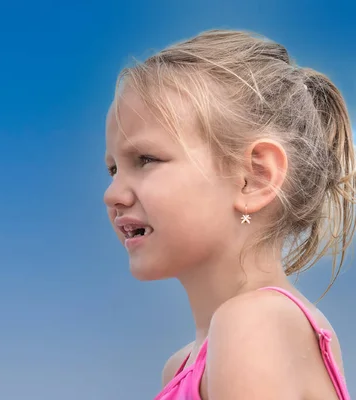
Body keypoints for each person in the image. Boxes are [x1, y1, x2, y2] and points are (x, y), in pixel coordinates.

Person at [103, 29, 354, 399]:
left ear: (254, 178)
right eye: (113, 170)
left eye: (146, 160)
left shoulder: (254, 325)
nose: (112, 194)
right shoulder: (183, 365)